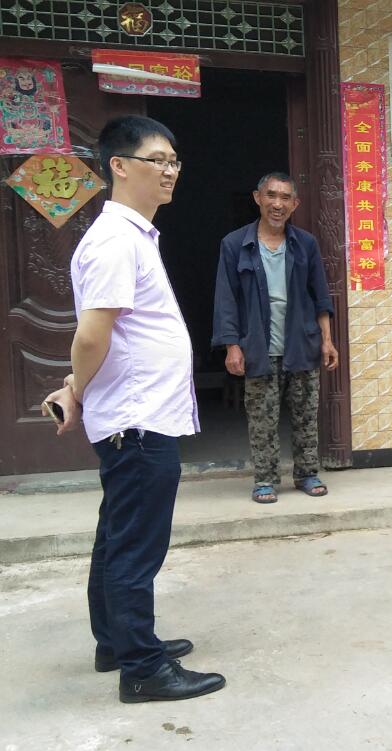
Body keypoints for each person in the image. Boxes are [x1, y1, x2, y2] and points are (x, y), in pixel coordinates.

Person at [42, 115, 225, 702]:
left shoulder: (133, 236)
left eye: (174, 161)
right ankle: (143, 669)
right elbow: (93, 336)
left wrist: (76, 387)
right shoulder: (116, 240)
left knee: (117, 536)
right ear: (119, 166)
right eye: (157, 160)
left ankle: (116, 644)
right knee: (135, 547)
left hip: (137, 416)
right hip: (138, 421)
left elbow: (113, 335)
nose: (169, 172)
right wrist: (76, 388)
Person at [212, 172, 337, 503]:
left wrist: (327, 340)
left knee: (306, 416)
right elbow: (226, 300)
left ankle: (307, 473)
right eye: (271, 195)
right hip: (258, 345)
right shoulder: (235, 244)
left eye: (285, 198)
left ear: (295, 204)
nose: (277, 204)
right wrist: (232, 346)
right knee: (262, 419)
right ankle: (265, 479)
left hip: (302, 343)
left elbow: (320, 297)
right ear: (258, 198)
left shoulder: (305, 244)